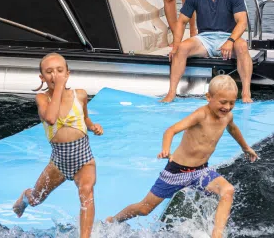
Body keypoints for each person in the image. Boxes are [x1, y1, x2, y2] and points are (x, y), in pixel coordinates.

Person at [105, 75, 258, 238]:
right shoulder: (201, 115)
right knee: (144, 209)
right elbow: (170, 130)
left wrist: (246, 148)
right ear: (209, 97)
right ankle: (113, 220)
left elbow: (233, 129)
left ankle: (217, 235)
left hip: (200, 171)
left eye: (232, 103)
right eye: (223, 102)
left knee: (227, 190)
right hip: (176, 172)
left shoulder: (227, 117)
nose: (227, 107)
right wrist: (165, 150)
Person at [12, 53, 104, 238]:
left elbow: (84, 118)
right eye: (49, 72)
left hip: (84, 159)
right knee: (36, 199)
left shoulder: (80, 95)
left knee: (86, 190)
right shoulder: (42, 99)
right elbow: (51, 119)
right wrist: (60, 87)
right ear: (42, 78)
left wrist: (93, 126)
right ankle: (24, 196)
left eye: (60, 71)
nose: (55, 75)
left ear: (68, 73)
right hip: (58, 164)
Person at [163, 0, 253, 103]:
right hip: (204, 39)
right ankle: (171, 93)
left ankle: (245, 94)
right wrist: (175, 46)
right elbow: (181, 22)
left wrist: (230, 41)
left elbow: (242, 22)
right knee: (182, 48)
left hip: (228, 36)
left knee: (242, 45)